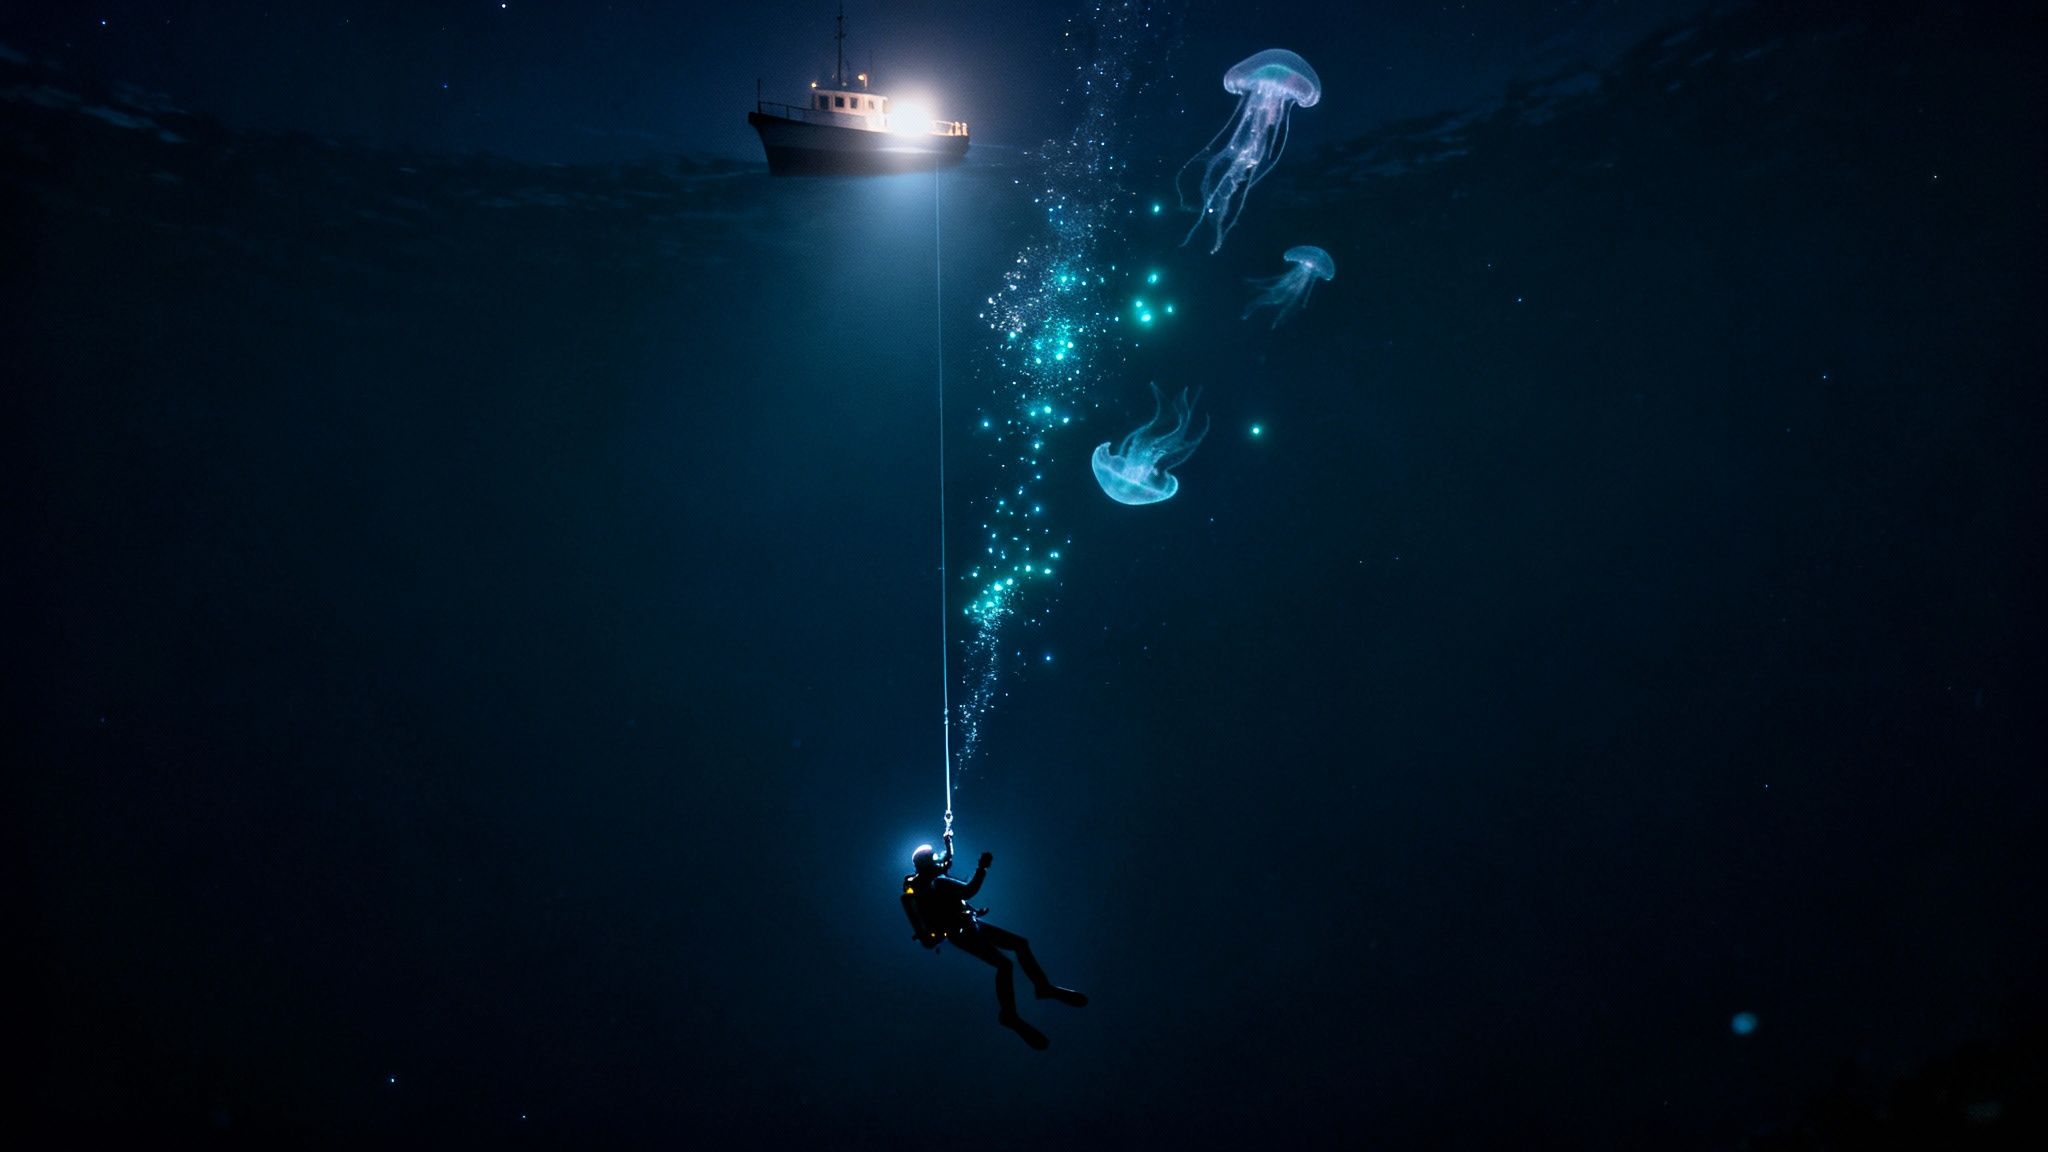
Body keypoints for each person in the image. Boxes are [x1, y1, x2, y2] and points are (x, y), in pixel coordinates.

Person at [901, 843, 1087, 1049]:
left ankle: (1033, 994)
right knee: (1009, 958)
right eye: (934, 857)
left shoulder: (927, 886)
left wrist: (948, 842)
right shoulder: (939, 882)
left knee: (1013, 953)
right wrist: (982, 867)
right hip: (966, 932)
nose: (938, 859)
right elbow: (969, 890)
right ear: (928, 863)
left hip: (965, 930)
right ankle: (1017, 1008)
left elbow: (953, 889)